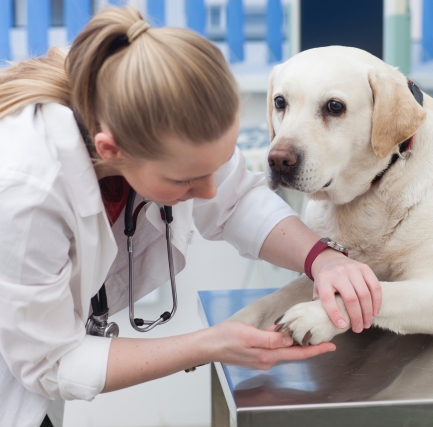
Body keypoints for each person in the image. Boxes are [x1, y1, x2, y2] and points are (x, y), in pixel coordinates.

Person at [0, 7, 381, 427]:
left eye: (213, 169)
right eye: (187, 181)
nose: (210, 191)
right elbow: (52, 362)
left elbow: (237, 200)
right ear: (111, 150)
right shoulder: (27, 189)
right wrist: (210, 343)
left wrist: (323, 259)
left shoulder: (146, 103)